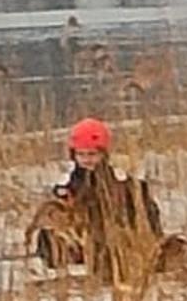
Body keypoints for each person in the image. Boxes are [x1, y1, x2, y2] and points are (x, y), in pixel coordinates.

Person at [34, 117, 162, 280]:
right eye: (81, 154)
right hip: (81, 244)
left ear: (103, 154)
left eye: (92, 154)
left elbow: (147, 217)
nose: (87, 159)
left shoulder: (123, 183)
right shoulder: (66, 185)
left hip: (114, 242)